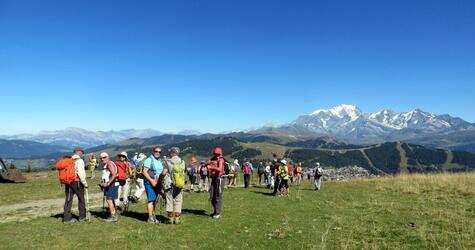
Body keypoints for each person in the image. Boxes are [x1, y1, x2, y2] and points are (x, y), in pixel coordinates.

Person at [63, 147, 88, 223]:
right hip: (77, 182)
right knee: (81, 199)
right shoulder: (80, 161)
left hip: (68, 182)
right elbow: (81, 173)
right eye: (82, 152)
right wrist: (85, 183)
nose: (82, 154)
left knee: (68, 200)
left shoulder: (68, 160)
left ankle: (67, 218)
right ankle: (82, 217)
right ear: (78, 152)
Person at [163, 147, 186, 224]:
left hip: (169, 184)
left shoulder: (168, 161)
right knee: (178, 201)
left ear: (172, 153)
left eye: (170, 152)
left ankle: (170, 219)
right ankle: (177, 220)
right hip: (179, 184)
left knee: (169, 202)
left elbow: (164, 173)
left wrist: (160, 179)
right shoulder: (182, 162)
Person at [143, 147, 165, 224]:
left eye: (159, 152)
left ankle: (153, 216)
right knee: (151, 200)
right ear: (153, 151)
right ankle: (150, 218)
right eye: (156, 151)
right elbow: (144, 172)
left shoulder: (159, 161)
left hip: (157, 182)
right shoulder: (149, 160)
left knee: (154, 200)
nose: (158, 153)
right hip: (150, 182)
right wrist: (151, 180)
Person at [100, 152, 119, 222]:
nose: (102, 159)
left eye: (104, 157)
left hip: (111, 184)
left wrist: (107, 183)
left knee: (109, 199)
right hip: (113, 184)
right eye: (101, 158)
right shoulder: (109, 163)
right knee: (112, 199)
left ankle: (113, 216)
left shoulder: (109, 164)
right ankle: (114, 213)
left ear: (108, 157)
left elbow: (114, 174)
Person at [208, 147, 225, 219]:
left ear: (220, 153)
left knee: (217, 196)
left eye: (217, 153)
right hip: (214, 179)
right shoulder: (213, 159)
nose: (216, 155)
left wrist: (211, 167)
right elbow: (207, 163)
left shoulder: (221, 159)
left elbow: (220, 169)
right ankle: (215, 211)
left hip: (219, 179)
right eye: (215, 153)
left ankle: (217, 213)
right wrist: (209, 163)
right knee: (212, 196)